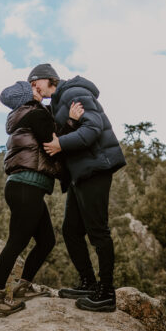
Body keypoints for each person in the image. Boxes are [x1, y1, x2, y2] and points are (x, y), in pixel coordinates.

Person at [0, 73, 83, 315]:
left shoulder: (22, 116)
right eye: (32, 89)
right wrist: (71, 122)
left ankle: (23, 287)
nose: (37, 90)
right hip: (26, 187)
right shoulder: (36, 114)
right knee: (16, 242)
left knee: (46, 240)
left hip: (25, 186)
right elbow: (54, 145)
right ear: (27, 96)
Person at [41, 68, 126, 312]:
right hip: (81, 172)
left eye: (36, 82)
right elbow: (72, 130)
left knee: (98, 231)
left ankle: (106, 293)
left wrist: (60, 144)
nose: (35, 87)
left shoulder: (75, 92)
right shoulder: (60, 102)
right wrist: (68, 123)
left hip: (95, 167)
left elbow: (93, 128)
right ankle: (88, 282)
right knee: (71, 230)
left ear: (48, 79)